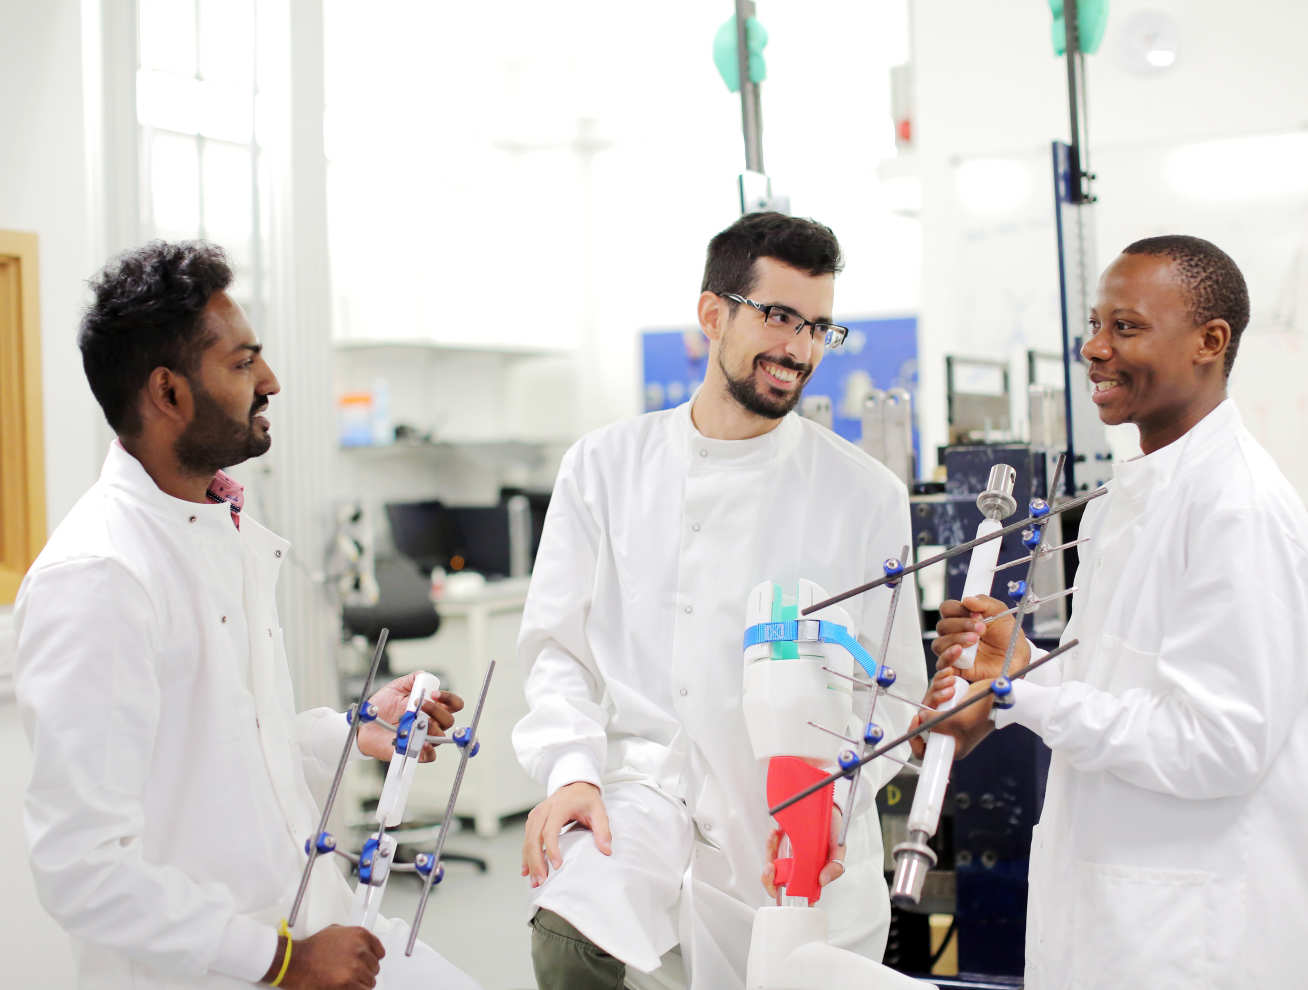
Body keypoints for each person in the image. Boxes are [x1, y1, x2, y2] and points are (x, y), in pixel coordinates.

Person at [15, 241, 482, 990]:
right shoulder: (100, 578)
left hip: (311, 924)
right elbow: (81, 868)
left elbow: (230, 752)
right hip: (223, 968)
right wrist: (279, 959)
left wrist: (353, 730)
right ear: (168, 393)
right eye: (241, 364)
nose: (269, 381)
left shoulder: (212, 526)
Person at [513, 212, 926, 990]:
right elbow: (557, 652)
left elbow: (893, 696)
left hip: (801, 847)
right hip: (646, 811)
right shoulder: (605, 467)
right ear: (713, 314)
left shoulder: (864, 493)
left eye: (818, 328)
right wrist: (571, 768)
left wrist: (832, 806)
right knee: (567, 948)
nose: (800, 349)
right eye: (778, 317)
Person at [923, 235, 1308, 989]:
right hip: (1116, 920)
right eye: (1094, 327)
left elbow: (1218, 742)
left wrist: (1017, 696)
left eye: (1124, 328)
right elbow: (1115, 692)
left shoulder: (1237, 508)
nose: (1095, 349)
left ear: (1210, 341)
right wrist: (1021, 669)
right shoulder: (1126, 499)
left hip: (1194, 940)